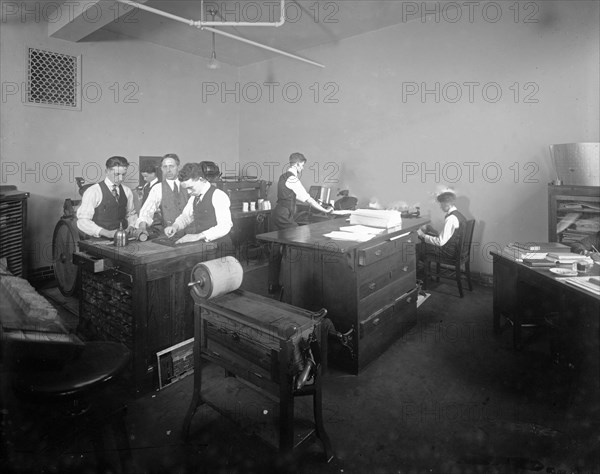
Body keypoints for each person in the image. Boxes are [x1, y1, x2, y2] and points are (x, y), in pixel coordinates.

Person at [268, 152, 333, 294]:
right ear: (297, 164)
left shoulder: (283, 176)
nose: (302, 168)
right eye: (302, 165)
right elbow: (308, 199)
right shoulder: (293, 179)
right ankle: (295, 283)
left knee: (276, 248)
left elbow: (292, 197)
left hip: (278, 213)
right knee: (300, 239)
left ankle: (273, 285)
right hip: (283, 215)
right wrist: (325, 210)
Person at [164, 162, 233, 250]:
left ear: (201, 179)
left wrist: (198, 236)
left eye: (191, 187)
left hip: (220, 247)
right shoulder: (194, 197)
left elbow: (225, 226)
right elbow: (186, 217)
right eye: (186, 189)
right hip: (202, 246)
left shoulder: (218, 195)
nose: (189, 192)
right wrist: (175, 226)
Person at [76, 156, 138, 238]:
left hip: (122, 237)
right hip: (99, 240)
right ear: (107, 172)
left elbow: (131, 214)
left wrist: (131, 226)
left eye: (124, 174)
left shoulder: (127, 191)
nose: (121, 178)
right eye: (117, 174)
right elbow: (83, 221)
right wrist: (106, 233)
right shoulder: (93, 191)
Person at [136, 153, 189, 238]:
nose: (168, 170)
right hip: (169, 235)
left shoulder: (189, 185)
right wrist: (142, 226)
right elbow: (146, 211)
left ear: (178, 167)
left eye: (171, 166)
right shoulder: (157, 188)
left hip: (192, 235)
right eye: (165, 167)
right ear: (161, 169)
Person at [417, 190, 466, 260]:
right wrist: (433, 231)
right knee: (425, 241)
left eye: (441, 204)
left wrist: (422, 235)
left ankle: (420, 270)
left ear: (447, 204)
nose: (440, 207)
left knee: (420, 246)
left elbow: (440, 242)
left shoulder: (451, 218)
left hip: (450, 252)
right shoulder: (459, 215)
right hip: (457, 250)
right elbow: (451, 235)